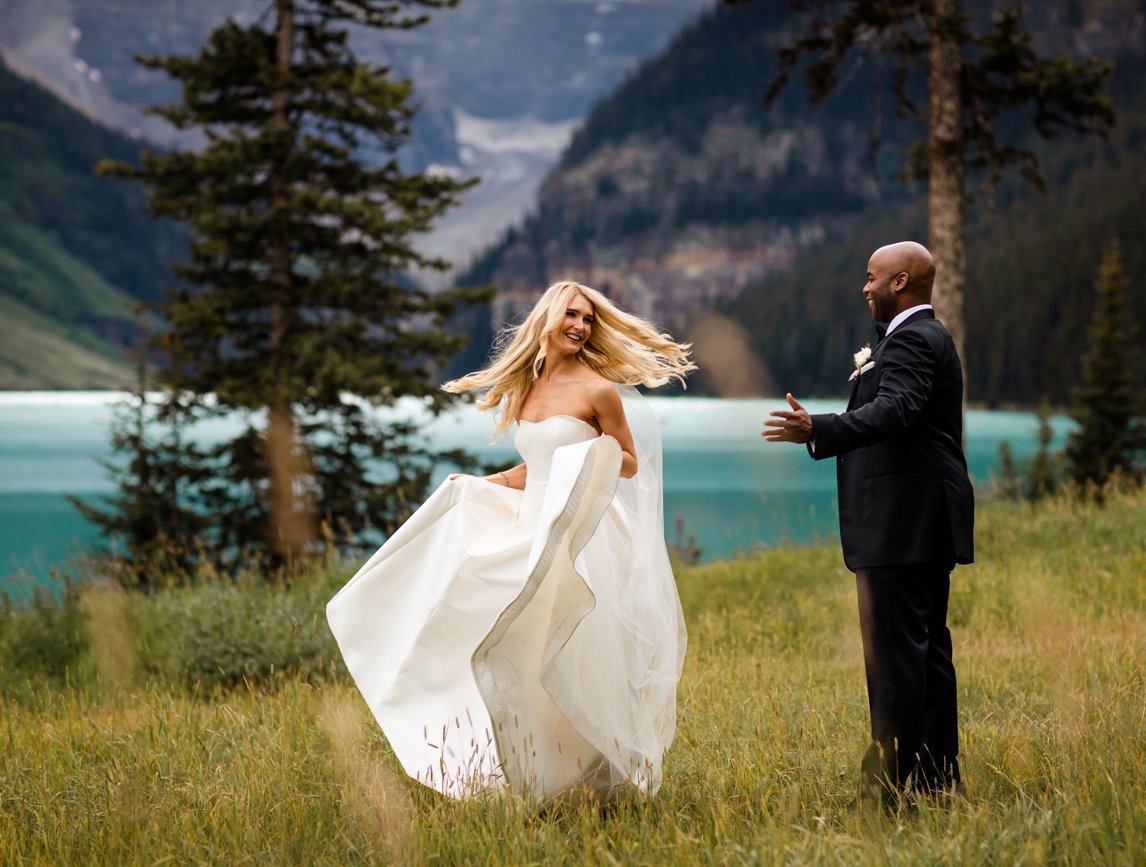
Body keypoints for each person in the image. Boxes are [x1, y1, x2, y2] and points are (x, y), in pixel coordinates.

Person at [327, 280, 695, 802]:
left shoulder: (599, 389)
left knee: (569, 657)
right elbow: (536, 465)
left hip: (580, 533)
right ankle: (530, 773)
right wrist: (482, 485)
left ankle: (596, 779)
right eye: (571, 314)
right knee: (501, 638)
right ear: (547, 318)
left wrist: (587, 456)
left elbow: (628, 463)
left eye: (588, 319)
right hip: (531, 523)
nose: (580, 326)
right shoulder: (530, 385)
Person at [762, 241, 974, 807]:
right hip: (920, 524)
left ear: (900, 282)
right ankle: (936, 783)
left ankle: (883, 794)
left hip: (902, 527)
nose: (865, 286)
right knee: (925, 655)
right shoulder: (922, 337)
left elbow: (896, 409)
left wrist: (820, 429)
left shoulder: (911, 341)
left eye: (871, 277)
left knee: (895, 663)